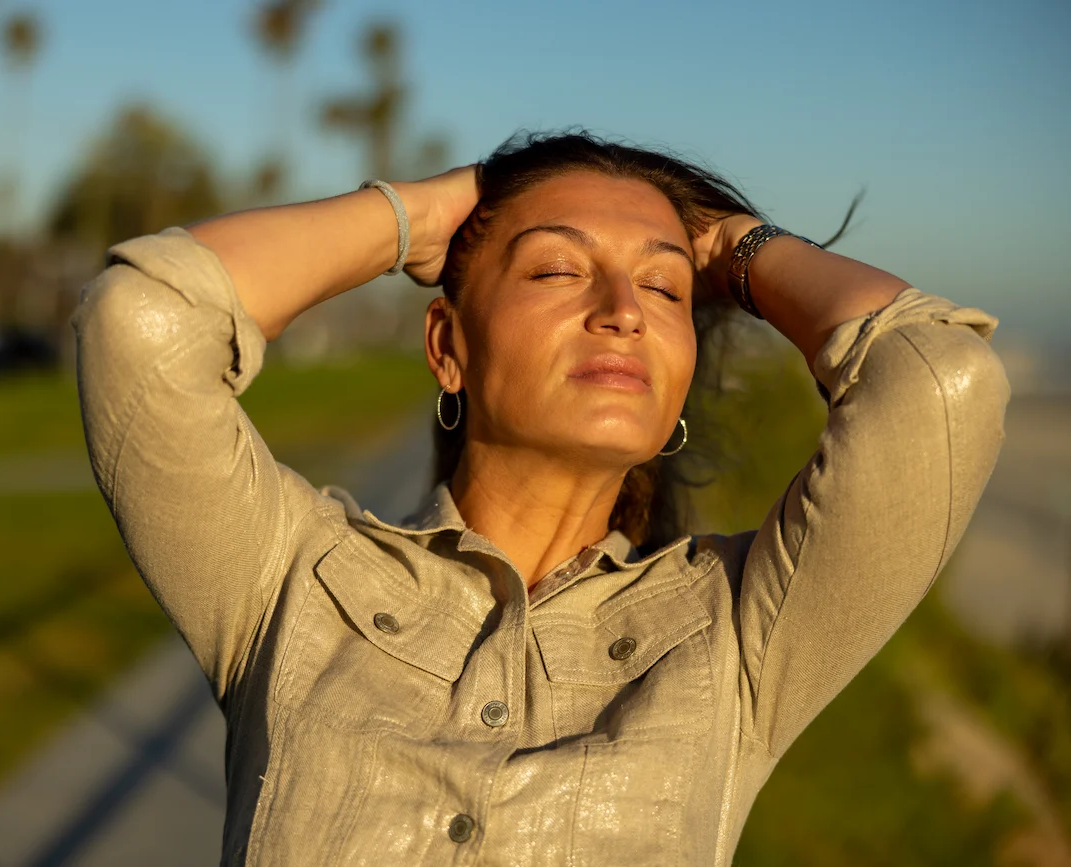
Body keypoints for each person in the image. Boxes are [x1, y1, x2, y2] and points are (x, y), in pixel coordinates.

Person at [70, 131, 1008, 865]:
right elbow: (141, 324)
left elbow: (938, 383)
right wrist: (421, 215)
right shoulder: (291, 584)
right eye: (558, 269)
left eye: (666, 285)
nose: (624, 309)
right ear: (448, 347)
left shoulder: (732, 639)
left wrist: (740, 248)